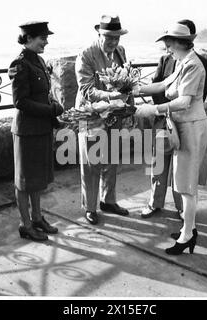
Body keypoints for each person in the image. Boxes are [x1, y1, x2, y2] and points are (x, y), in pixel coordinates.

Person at [133, 22, 207, 255]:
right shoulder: (183, 61)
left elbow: (184, 101)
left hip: (191, 128)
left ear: (180, 43)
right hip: (182, 127)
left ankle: (187, 235)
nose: (166, 45)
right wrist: (135, 89)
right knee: (183, 183)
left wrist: (153, 110)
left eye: (169, 40)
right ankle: (189, 229)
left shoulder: (193, 65)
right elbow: (162, 84)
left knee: (186, 186)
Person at [8, 21, 64, 241]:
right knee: (23, 181)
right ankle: (25, 224)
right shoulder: (20, 64)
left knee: (38, 178)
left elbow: (43, 93)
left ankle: (38, 218)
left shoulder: (39, 61)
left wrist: (53, 106)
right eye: (42, 37)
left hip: (41, 129)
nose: (46, 41)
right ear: (28, 38)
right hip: (26, 132)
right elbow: (20, 101)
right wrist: (50, 109)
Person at [75, 15, 131, 225]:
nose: (114, 42)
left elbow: (125, 81)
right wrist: (113, 96)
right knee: (91, 163)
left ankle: (108, 201)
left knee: (112, 159)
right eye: (109, 37)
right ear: (99, 33)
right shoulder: (86, 55)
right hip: (91, 115)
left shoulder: (121, 52)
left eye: (117, 37)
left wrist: (127, 107)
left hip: (114, 115)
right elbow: (87, 90)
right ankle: (90, 207)